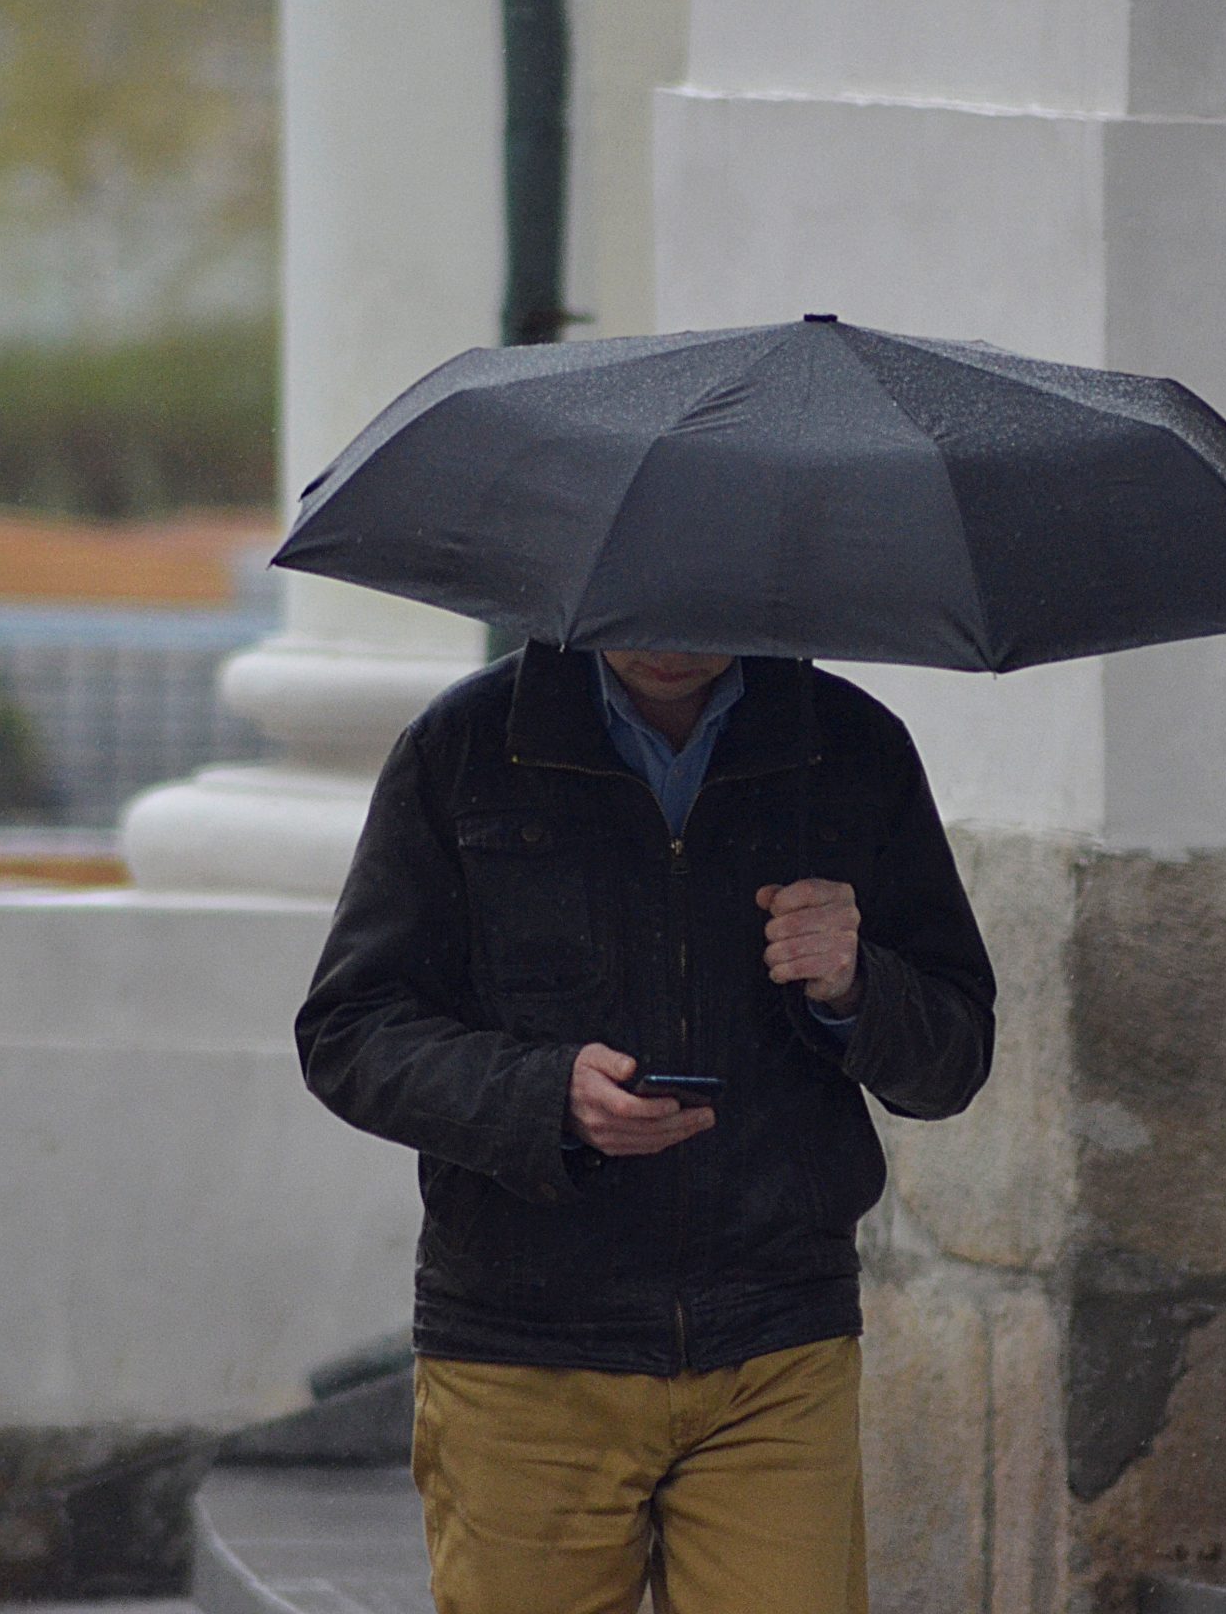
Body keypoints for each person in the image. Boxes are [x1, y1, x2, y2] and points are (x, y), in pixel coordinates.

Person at [295, 641, 996, 1614]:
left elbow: (953, 1058)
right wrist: (545, 1097)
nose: (670, 636)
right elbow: (350, 1032)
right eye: (641, 608)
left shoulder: (850, 748)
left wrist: (854, 982)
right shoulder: (461, 749)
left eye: (703, 603)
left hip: (775, 1342)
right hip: (522, 1345)